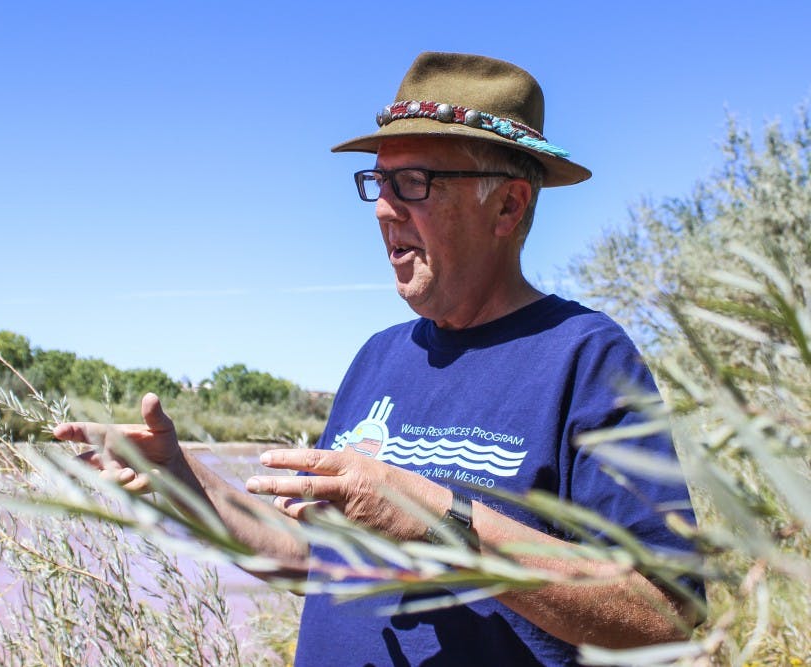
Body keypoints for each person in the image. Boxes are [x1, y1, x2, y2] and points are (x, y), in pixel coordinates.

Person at [54, 52, 703, 666]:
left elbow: (664, 612)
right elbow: (311, 557)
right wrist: (182, 479)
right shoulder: (378, 356)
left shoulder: (586, 357)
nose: (384, 210)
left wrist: (435, 519)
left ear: (507, 205)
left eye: (414, 183)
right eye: (379, 182)